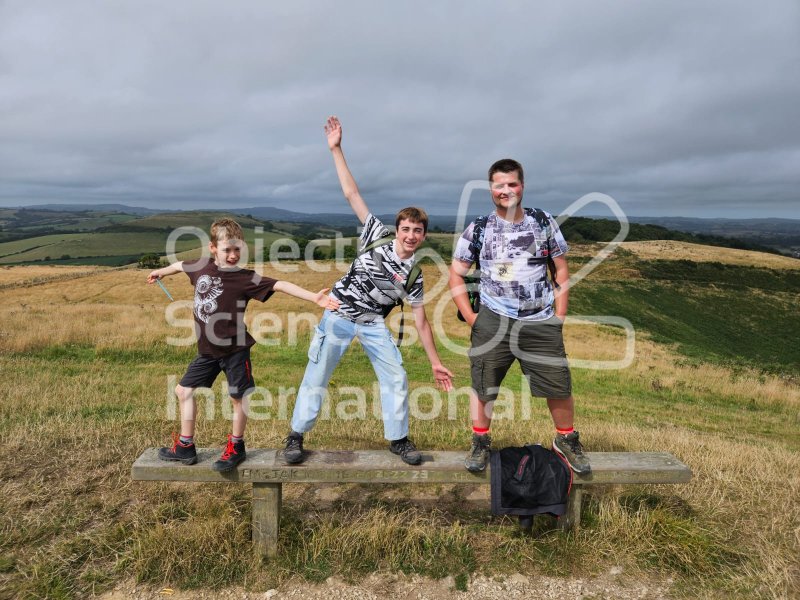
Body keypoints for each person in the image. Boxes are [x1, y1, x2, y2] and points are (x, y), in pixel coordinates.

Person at [280, 116, 454, 466]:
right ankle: (295, 437)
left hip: (374, 324)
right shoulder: (375, 234)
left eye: (417, 231)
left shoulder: (415, 275)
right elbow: (351, 193)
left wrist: (435, 362)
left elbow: (421, 322)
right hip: (339, 314)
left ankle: (399, 440)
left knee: (396, 376)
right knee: (317, 375)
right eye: (406, 228)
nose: (410, 235)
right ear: (397, 229)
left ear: (424, 236)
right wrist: (336, 149)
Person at [148, 218, 339, 472]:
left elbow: (279, 285)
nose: (233, 255)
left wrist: (313, 297)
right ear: (213, 248)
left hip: (235, 350)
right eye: (227, 249)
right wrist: (160, 272)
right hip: (207, 352)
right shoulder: (200, 267)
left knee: (238, 398)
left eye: (238, 249)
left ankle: (236, 446)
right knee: (183, 391)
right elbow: (180, 265)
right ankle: (185, 447)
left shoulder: (244, 278)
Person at [448, 159, 590, 474]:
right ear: (491, 189)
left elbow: (561, 269)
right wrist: (472, 318)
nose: (506, 191)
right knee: (483, 384)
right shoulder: (479, 228)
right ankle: (480, 442)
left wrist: (560, 314)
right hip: (493, 318)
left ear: (522, 186)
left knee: (558, 383)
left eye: (512, 184)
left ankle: (566, 439)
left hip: (540, 319)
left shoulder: (543, 222)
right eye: (499, 185)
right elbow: (456, 275)